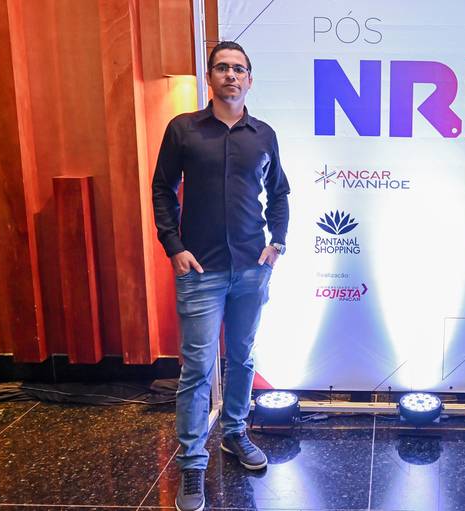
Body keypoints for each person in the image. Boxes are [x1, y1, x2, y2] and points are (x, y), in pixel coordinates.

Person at [152, 41, 290, 511]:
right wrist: (174, 247)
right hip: (200, 270)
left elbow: (280, 193)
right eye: (222, 68)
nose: (231, 75)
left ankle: (234, 433)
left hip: (252, 268)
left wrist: (277, 243)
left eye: (239, 69)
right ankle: (193, 463)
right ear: (210, 77)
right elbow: (162, 189)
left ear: (250, 79)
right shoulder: (184, 129)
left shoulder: (263, 135)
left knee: (243, 357)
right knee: (197, 369)